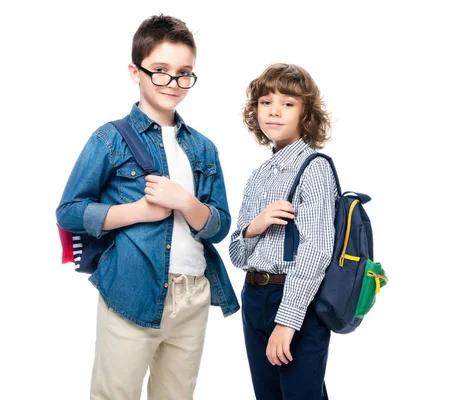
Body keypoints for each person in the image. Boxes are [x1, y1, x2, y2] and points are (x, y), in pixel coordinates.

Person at [56, 14, 239, 400]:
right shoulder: (109, 139)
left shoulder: (203, 148)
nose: (173, 83)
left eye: (184, 72)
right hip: (130, 289)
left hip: (193, 294)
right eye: (160, 70)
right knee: (115, 394)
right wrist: (138, 211)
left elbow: (220, 226)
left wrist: (187, 204)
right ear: (135, 71)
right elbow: (69, 211)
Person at [229, 63, 337, 400]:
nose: (274, 111)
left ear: (306, 114)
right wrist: (254, 226)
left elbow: (316, 250)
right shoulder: (258, 175)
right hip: (255, 297)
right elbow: (236, 254)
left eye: (288, 103)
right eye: (265, 102)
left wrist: (288, 321)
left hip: (294, 298)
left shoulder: (314, 168)